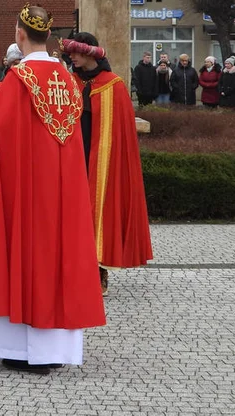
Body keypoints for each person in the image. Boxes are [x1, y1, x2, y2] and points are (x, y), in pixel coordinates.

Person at [0, 5, 106, 374]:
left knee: (19, 255)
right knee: (56, 259)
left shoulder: (15, 83)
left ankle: (16, 348)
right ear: (49, 37)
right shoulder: (70, 82)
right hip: (62, 196)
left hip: (22, 194)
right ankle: (52, 348)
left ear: (20, 35)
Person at [63, 33, 153, 297]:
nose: (72, 57)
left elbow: (121, 136)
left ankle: (98, 270)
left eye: (76, 52)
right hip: (72, 159)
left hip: (101, 164)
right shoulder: (68, 83)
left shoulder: (114, 85)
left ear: (90, 53)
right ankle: (70, 270)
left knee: (97, 215)